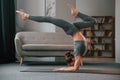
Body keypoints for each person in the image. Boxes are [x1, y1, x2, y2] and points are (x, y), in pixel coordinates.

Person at [16, 3, 96, 72]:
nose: (72, 65)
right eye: (71, 64)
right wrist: (61, 69)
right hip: (73, 29)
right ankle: (26, 16)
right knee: (49, 19)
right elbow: (75, 69)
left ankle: (27, 16)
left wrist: (62, 68)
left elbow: (75, 66)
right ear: (73, 60)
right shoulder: (78, 54)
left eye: (71, 65)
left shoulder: (77, 53)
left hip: (73, 30)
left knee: (49, 19)